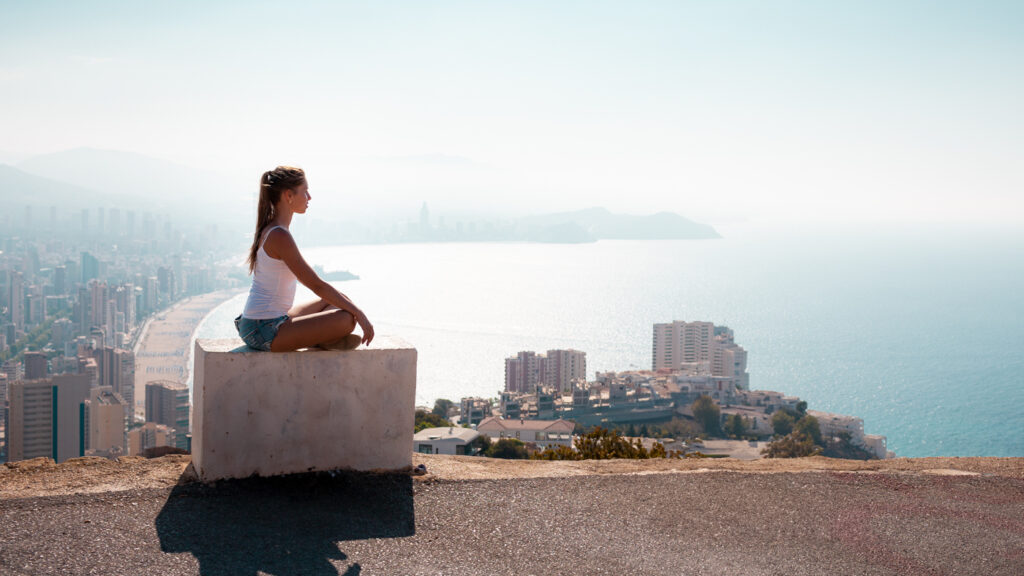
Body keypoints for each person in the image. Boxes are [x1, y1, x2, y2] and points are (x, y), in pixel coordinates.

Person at [234, 166, 374, 352]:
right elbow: (316, 285)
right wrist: (360, 314)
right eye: (305, 192)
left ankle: (322, 339)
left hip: (259, 323)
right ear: (288, 196)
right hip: (263, 330)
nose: (309, 197)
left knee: (340, 301)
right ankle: (321, 339)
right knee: (347, 319)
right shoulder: (279, 235)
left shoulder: (273, 229)